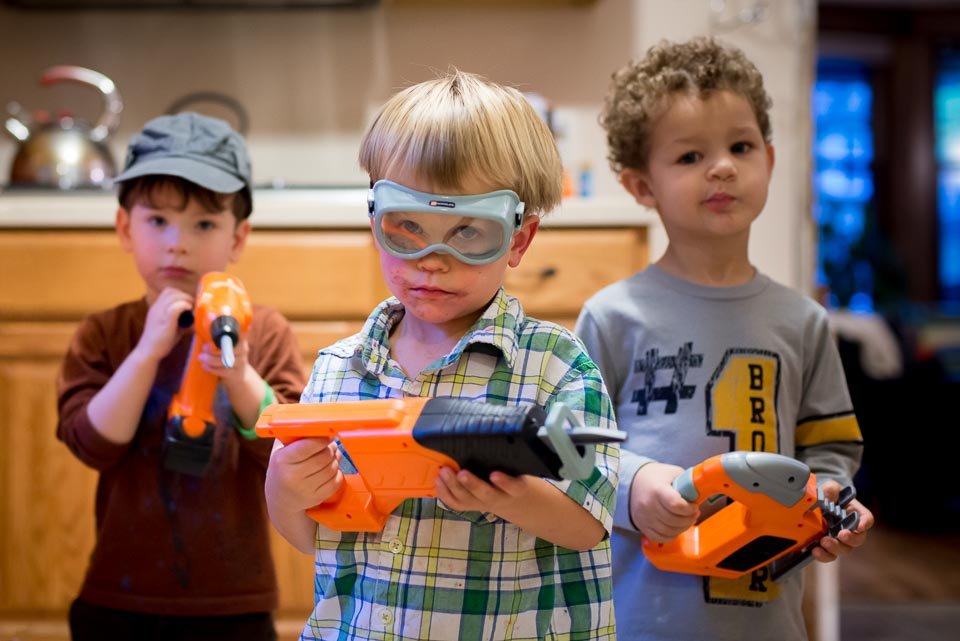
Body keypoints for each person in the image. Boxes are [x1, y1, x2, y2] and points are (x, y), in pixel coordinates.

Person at [264, 70, 620, 641]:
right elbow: (313, 536)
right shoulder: (338, 369)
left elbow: (589, 523)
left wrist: (514, 495)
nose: (432, 260)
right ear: (375, 219)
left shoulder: (556, 366)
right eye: (406, 228)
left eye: (468, 233)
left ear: (519, 240)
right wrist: (285, 490)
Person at [574, 37, 875, 641]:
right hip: (640, 619)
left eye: (740, 147)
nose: (722, 167)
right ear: (640, 185)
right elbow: (572, 449)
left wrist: (832, 500)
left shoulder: (803, 322)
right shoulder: (612, 317)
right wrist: (633, 487)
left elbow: (831, 446)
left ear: (768, 156)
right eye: (689, 156)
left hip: (769, 618)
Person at [56, 112, 305, 641]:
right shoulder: (105, 333)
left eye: (204, 225)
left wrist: (238, 376)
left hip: (233, 603)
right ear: (126, 228)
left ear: (238, 238)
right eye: (158, 221)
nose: (178, 243)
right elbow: (92, 444)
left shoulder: (266, 333)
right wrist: (148, 351)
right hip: (119, 598)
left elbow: (286, 445)